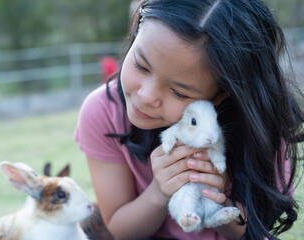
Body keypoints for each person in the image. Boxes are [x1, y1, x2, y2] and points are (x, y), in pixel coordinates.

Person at [75, 0, 304, 239]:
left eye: (179, 92)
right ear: (136, 32)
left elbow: (254, 231)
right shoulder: (102, 112)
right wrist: (159, 193)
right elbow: (121, 230)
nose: (146, 96)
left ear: (221, 96)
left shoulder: (257, 126)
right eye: (141, 66)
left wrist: (219, 198)